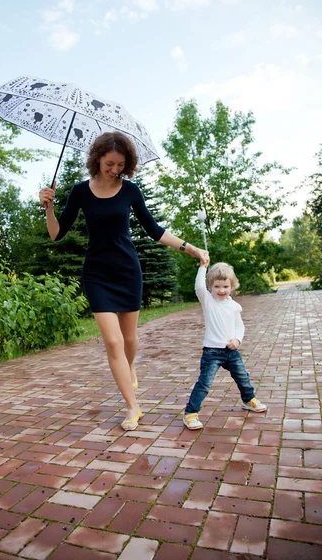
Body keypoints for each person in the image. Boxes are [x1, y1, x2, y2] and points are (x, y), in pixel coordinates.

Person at [39, 131, 209, 431]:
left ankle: (130, 367)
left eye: (121, 164)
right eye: (109, 163)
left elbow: (155, 230)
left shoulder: (130, 191)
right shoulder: (80, 191)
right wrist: (49, 208)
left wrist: (191, 248)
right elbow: (56, 233)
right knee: (113, 342)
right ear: (97, 159)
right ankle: (133, 407)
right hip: (96, 274)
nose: (115, 169)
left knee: (130, 340)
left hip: (127, 271)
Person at [183, 259, 267, 430]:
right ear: (210, 287)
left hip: (231, 352)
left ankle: (248, 399)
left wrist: (237, 339)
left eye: (225, 286)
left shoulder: (235, 306)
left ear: (232, 286)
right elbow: (199, 287)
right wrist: (202, 267)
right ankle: (190, 413)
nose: (221, 290)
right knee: (205, 383)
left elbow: (239, 326)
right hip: (212, 353)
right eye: (217, 287)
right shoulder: (208, 301)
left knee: (243, 377)